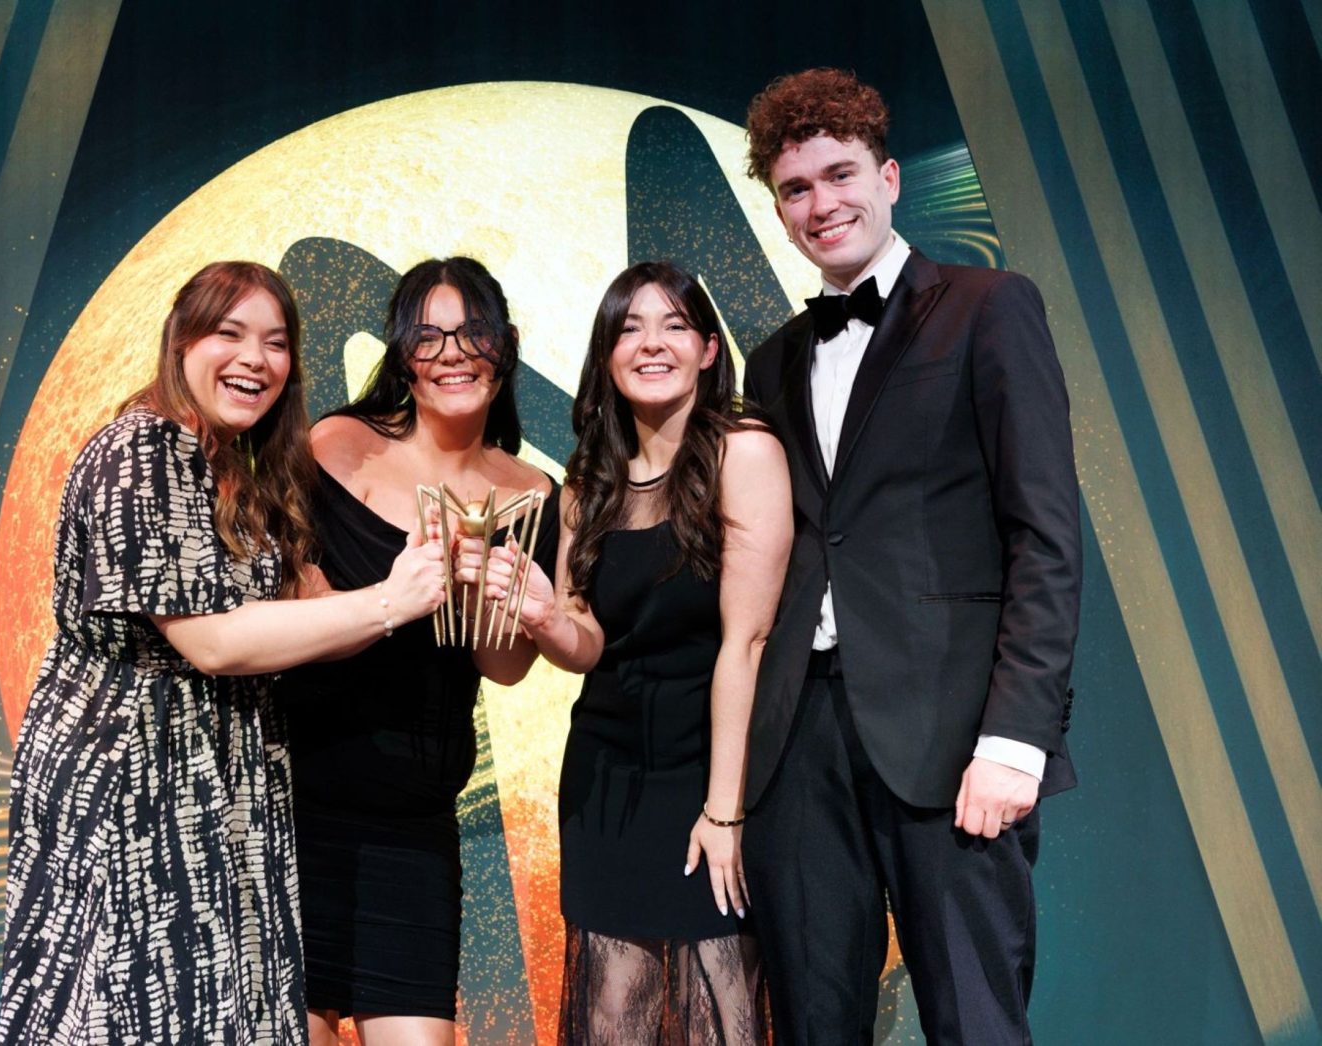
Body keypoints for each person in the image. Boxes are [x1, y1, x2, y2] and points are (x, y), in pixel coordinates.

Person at [0, 261, 446, 1044]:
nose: (255, 359)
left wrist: (439, 562)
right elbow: (211, 641)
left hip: (220, 784)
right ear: (181, 338)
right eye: (229, 333)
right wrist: (389, 602)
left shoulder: (235, 468)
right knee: (132, 1013)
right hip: (132, 784)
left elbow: (301, 608)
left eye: (276, 343)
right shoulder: (144, 448)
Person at [737, 69, 1082, 1044]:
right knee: (811, 1026)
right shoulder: (769, 362)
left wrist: (1015, 737)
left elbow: (1044, 535)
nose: (821, 204)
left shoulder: (988, 307)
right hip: (797, 745)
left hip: (951, 739)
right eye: (795, 189)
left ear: (888, 177)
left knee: (974, 1023)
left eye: (838, 174)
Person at [464, 261, 791, 1044]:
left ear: (709, 349)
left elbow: (746, 643)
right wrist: (543, 618)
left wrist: (724, 809)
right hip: (606, 779)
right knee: (615, 1014)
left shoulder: (742, 453)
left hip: (710, 769)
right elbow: (586, 645)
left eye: (674, 325)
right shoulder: (586, 484)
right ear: (606, 353)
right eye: (630, 328)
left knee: (723, 1015)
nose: (652, 344)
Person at [285, 256, 560, 1045]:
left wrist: (483, 592)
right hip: (303, 804)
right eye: (428, 336)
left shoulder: (535, 493)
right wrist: (399, 592)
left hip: (417, 819)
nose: (451, 354)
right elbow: (290, 609)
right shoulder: (336, 445)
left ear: (504, 346)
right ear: (402, 353)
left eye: (471, 332)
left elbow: (505, 668)